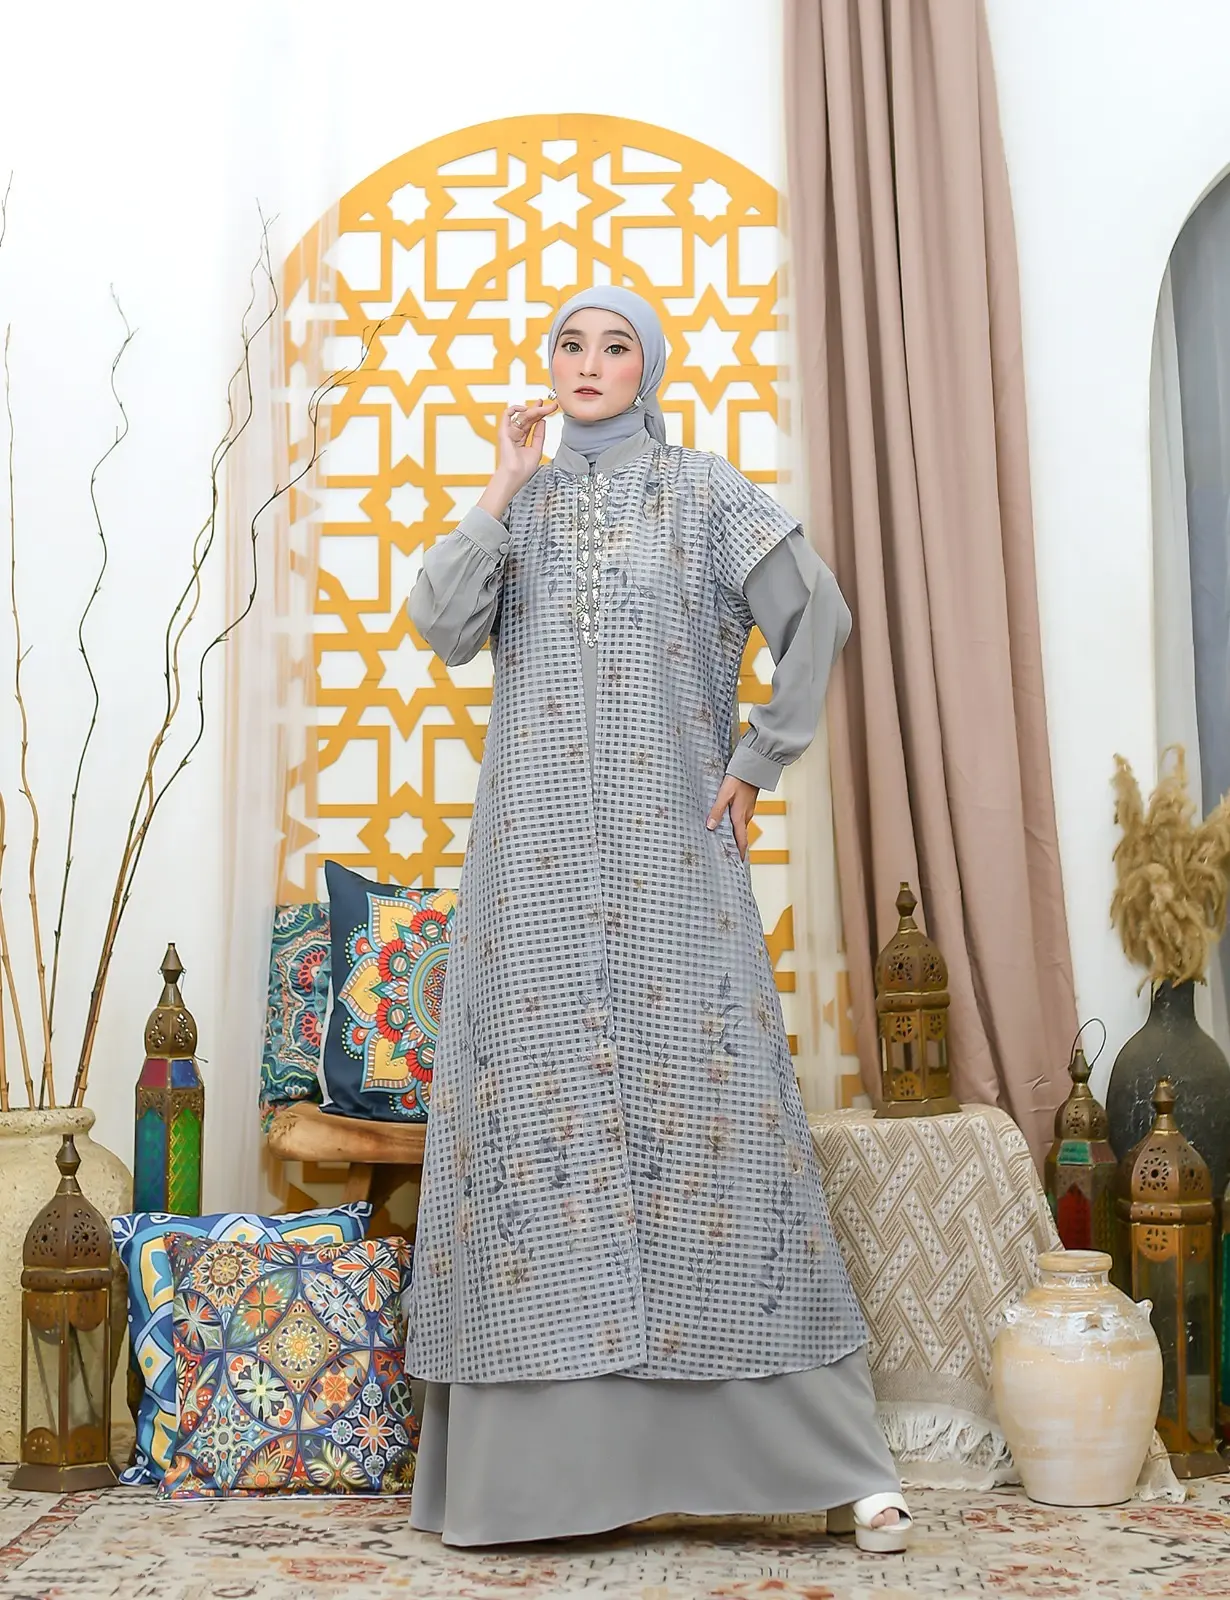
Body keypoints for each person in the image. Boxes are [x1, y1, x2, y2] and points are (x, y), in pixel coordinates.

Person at [404, 286, 911, 1553]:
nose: (588, 362)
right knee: (542, 1142)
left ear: (650, 366)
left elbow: (819, 615)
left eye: (614, 344)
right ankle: (530, 1481)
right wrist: (501, 482)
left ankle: (833, 1457)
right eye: (569, 344)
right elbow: (441, 625)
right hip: (533, 883)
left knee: (721, 1130)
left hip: (673, 865)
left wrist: (759, 756)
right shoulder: (524, 509)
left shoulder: (705, 493)